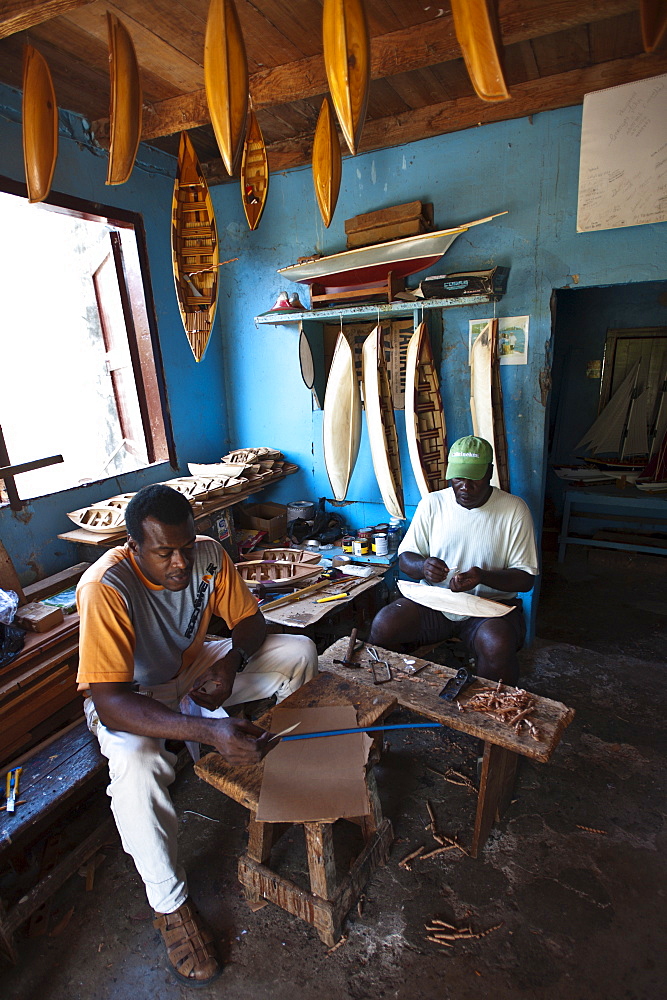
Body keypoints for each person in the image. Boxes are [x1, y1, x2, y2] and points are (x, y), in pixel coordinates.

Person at [76, 484, 318, 987]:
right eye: (165, 552)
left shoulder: (208, 555)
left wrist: (230, 663)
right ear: (133, 545)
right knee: (138, 768)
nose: (181, 563)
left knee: (299, 652)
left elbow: (251, 622)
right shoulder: (107, 586)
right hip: (133, 696)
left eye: (185, 545)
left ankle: (271, 760)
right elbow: (111, 704)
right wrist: (207, 730)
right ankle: (170, 905)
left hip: (194, 667)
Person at [368, 436, 538, 684]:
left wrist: (483, 577)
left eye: (474, 478)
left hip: (488, 608)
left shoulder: (514, 509)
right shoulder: (433, 503)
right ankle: (390, 690)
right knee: (385, 624)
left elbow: (525, 580)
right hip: (436, 601)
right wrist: (423, 567)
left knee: (496, 644)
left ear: (489, 473)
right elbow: (405, 559)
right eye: (458, 478)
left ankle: (492, 711)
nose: (465, 487)